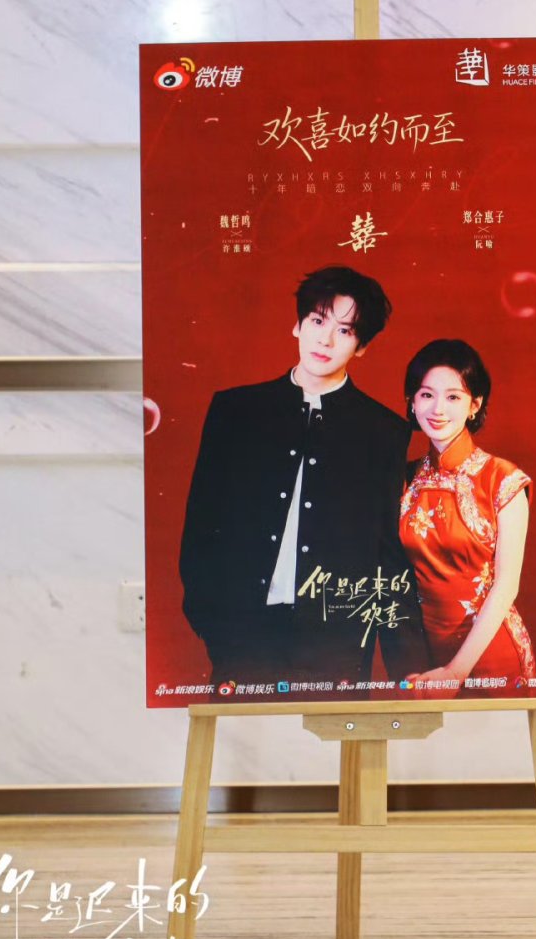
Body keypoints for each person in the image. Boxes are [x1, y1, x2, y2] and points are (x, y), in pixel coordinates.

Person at [179, 266, 427, 689]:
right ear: (297, 325)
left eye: (345, 331)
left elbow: (387, 553)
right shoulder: (236, 411)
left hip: (336, 645)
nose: (326, 340)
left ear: (362, 346)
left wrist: (407, 664)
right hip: (242, 635)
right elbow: (202, 524)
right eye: (317, 321)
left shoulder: (383, 431)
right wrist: (214, 624)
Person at [399, 339, 536, 688]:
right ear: (412, 402)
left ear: (475, 405)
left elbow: (507, 585)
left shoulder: (503, 479)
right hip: (424, 658)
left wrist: (456, 672)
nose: (438, 409)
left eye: (453, 397)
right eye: (426, 395)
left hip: (490, 658)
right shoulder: (403, 478)